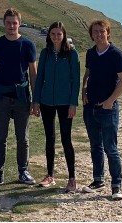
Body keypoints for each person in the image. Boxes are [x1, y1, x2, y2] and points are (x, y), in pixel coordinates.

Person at [0, 8, 37, 188]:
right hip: (1, 98)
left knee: (23, 137)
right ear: (4, 23)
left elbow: (33, 73)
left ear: (19, 23)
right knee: (1, 138)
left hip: (22, 97)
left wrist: (35, 99)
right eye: (8, 23)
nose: (11, 26)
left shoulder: (28, 45)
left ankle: (23, 171)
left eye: (14, 23)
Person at [81, 20, 122, 200]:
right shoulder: (91, 53)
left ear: (108, 33)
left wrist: (110, 101)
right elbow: (87, 75)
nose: (99, 34)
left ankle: (116, 185)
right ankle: (98, 180)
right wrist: (83, 91)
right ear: (91, 34)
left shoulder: (117, 54)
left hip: (108, 108)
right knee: (95, 146)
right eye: (96, 32)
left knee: (111, 147)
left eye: (102, 31)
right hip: (90, 107)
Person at [32, 22, 80, 191]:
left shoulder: (72, 54)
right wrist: (35, 101)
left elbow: (76, 81)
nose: (56, 37)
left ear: (64, 35)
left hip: (65, 103)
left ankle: (72, 178)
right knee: (49, 138)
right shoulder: (45, 53)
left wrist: (73, 103)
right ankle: (50, 175)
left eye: (59, 34)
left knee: (66, 139)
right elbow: (39, 79)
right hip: (46, 102)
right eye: (53, 34)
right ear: (49, 36)